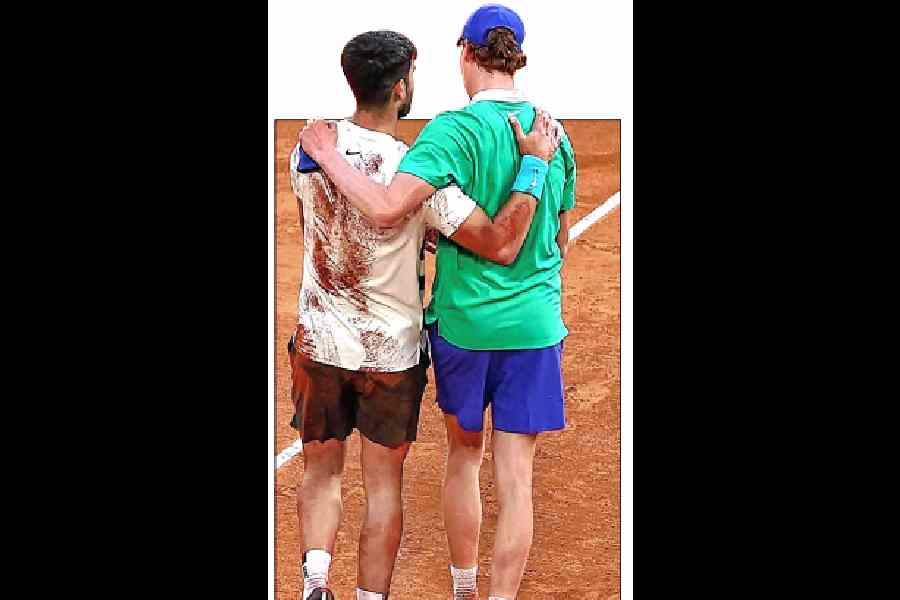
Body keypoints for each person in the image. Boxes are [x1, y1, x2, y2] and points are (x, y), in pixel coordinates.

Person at [300, 6, 577, 600]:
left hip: (457, 327)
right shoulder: (555, 135)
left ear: (466, 53)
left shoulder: (444, 135)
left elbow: (373, 212)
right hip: (527, 328)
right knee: (516, 479)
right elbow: (553, 239)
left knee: (463, 456)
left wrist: (327, 154)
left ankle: (458, 587)